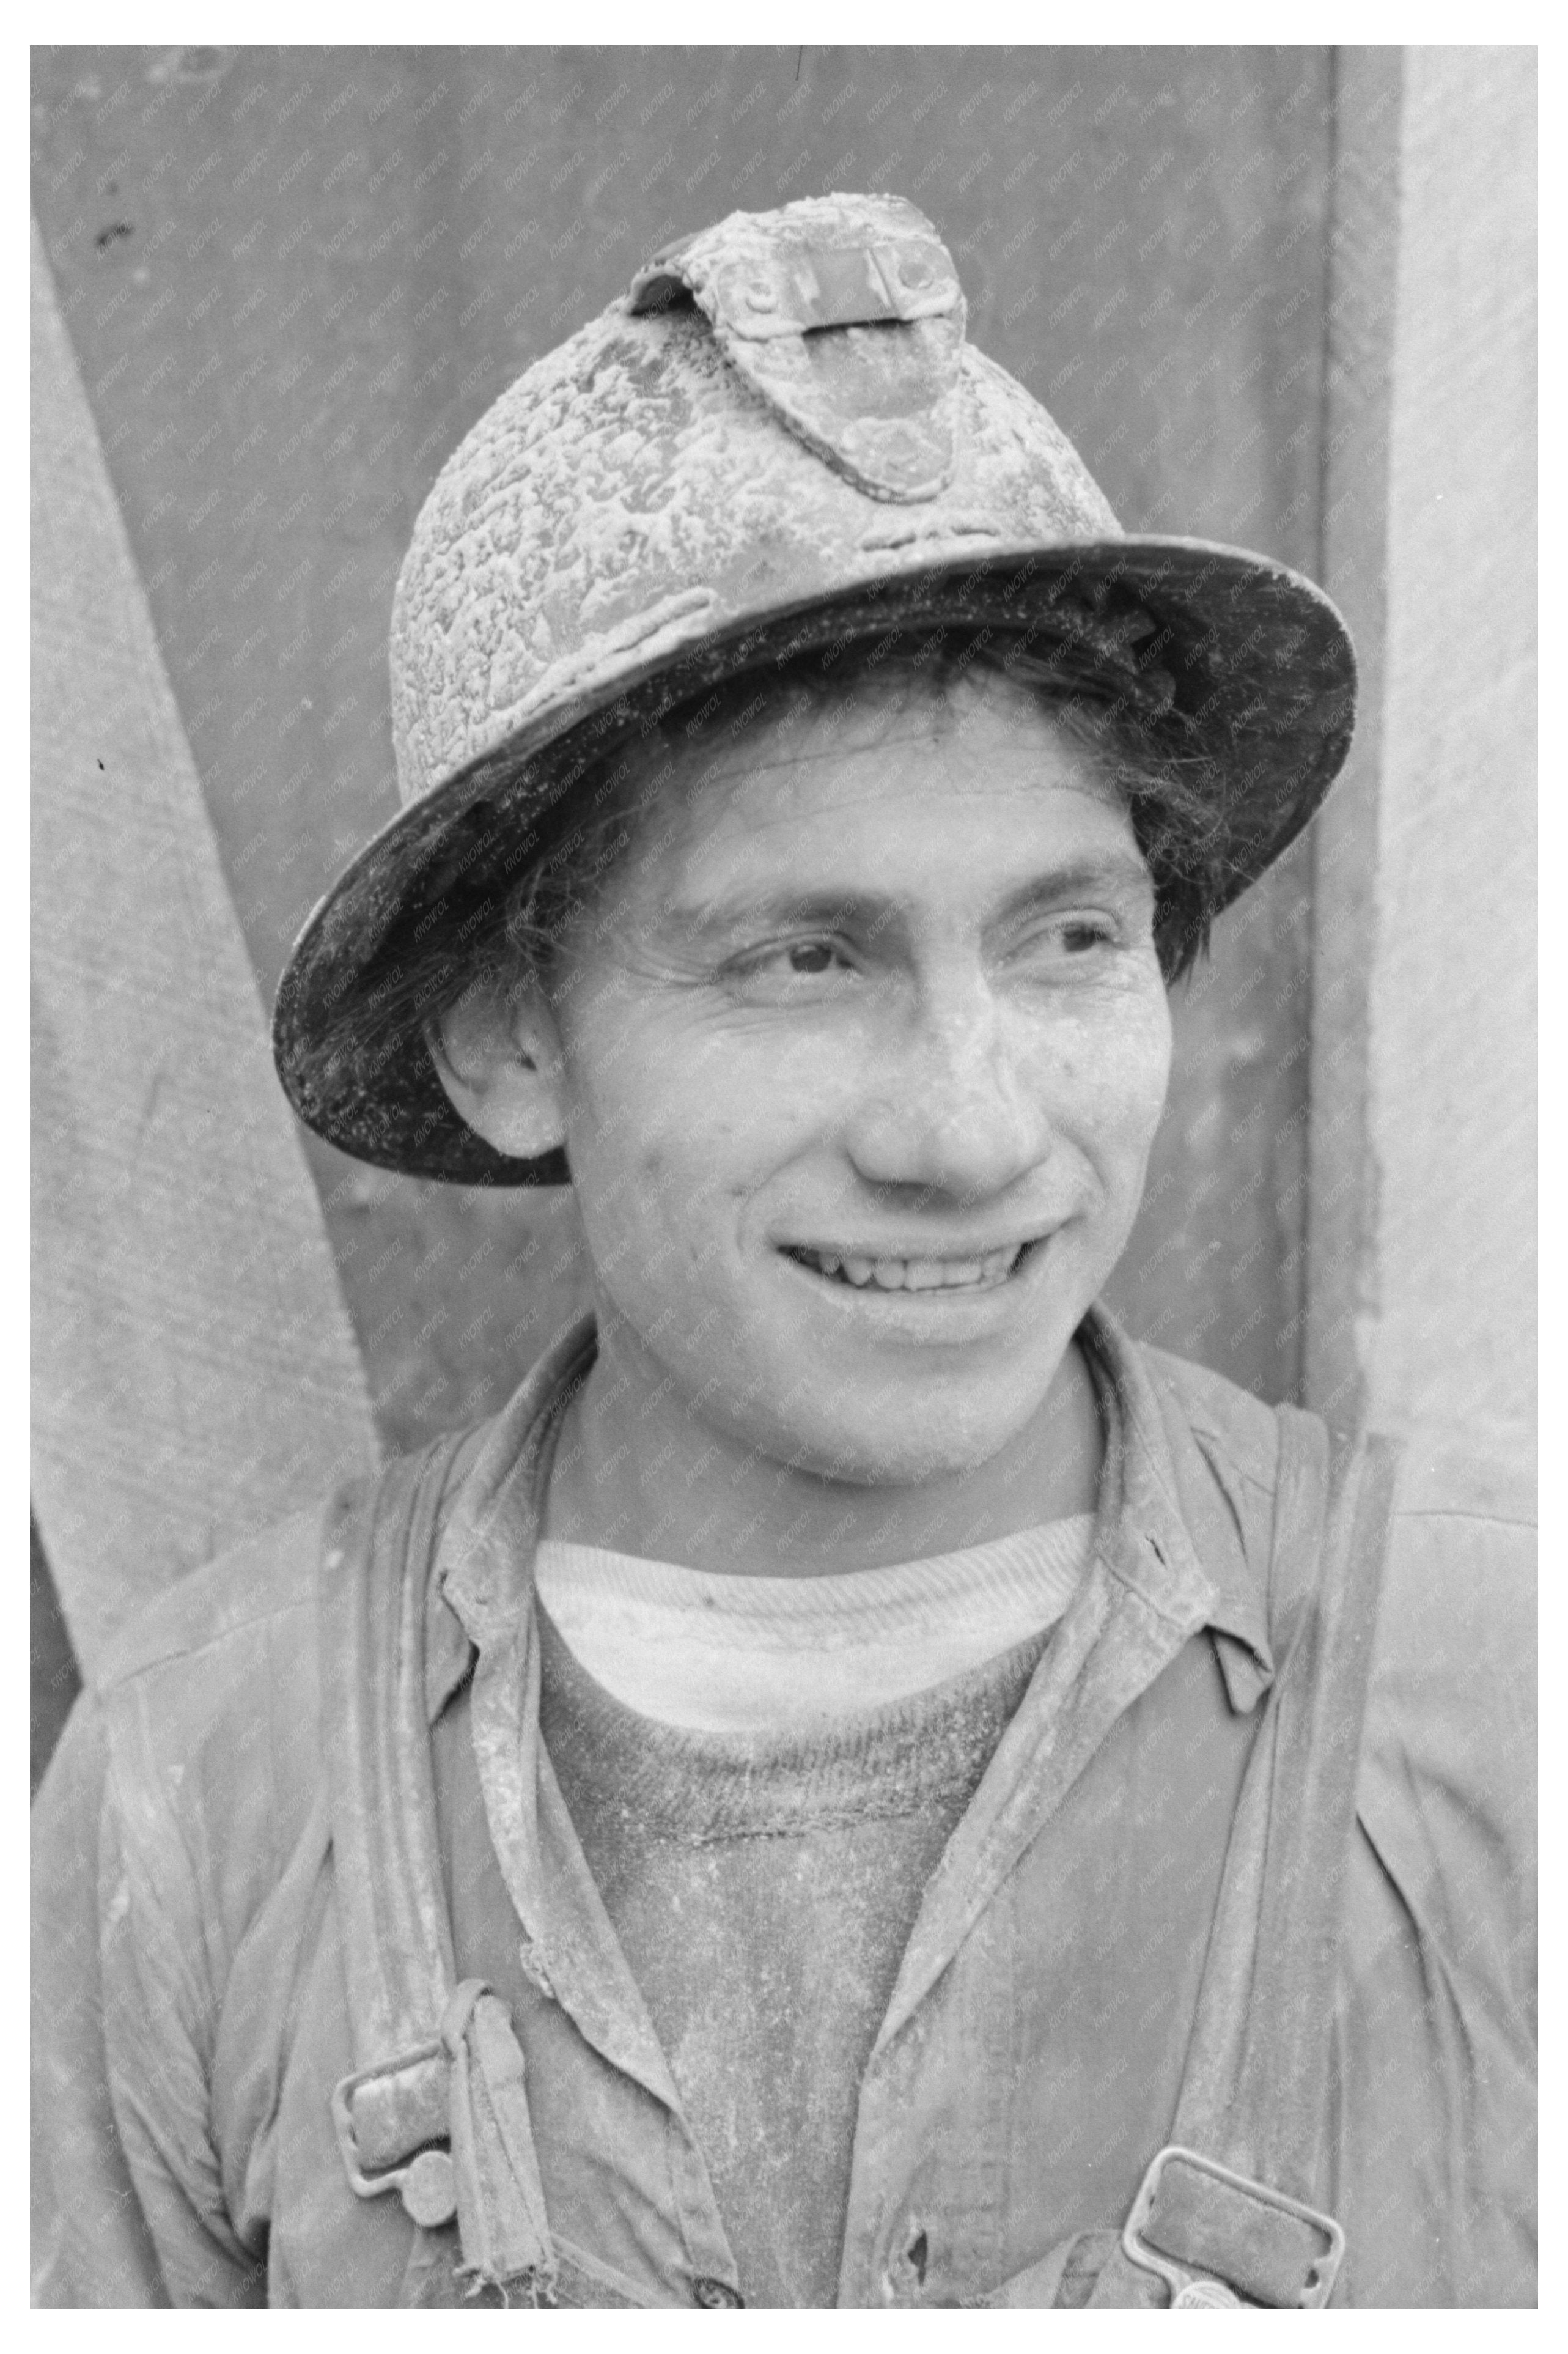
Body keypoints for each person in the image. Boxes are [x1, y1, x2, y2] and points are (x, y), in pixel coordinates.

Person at [31, 193, 1535, 2309]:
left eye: (1070, 936)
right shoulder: (198, 1794)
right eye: (805, 959)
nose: (974, 1129)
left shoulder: (1500, 1699)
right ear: (510, 1034)